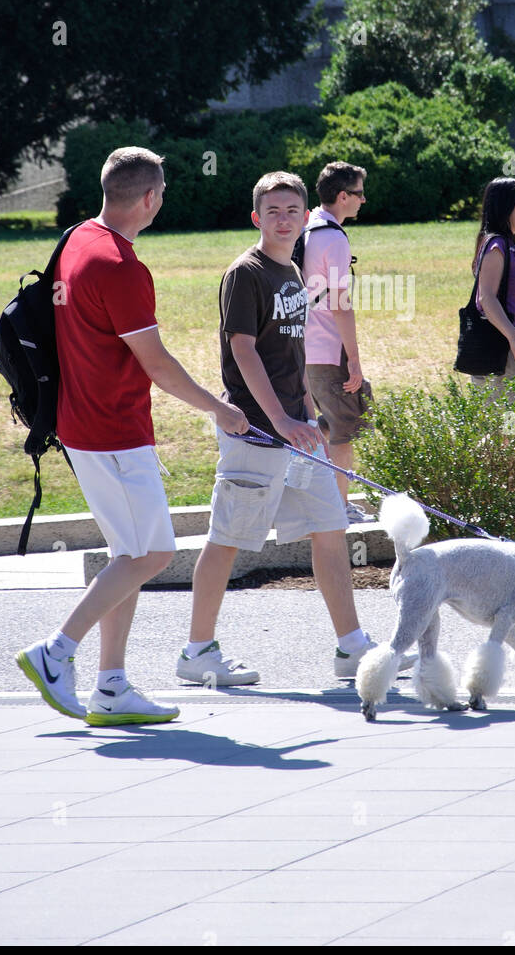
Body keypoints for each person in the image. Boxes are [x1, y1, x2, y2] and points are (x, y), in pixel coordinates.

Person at [15, 147, 249, 725]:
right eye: (162, 192)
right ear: (149, 198)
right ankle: (55, 653)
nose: (162, 200)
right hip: (112, 430)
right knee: (153, 552)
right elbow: (157, 364)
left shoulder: (77, 241)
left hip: (84, 425)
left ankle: (111, 687)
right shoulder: (120, 266)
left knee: (129, 553)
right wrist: (218, 410)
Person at [176, 170, 413, 684]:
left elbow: (293, 352)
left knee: (330, 530)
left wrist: (307, 414)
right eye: (273, 212)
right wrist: (280, 419)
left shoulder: (292, 272)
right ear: (257, 218)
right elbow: (243, 350)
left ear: (306, 218)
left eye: (292, 211)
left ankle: (351, 648)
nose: (283, 220)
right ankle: (197, 652)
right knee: (227, 539)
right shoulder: (247, 273)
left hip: (300, 431)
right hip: (255, 430)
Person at [301, 161, 374, 524]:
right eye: (359, 193)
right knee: (344, 429)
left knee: (328, 424)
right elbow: (340, 305)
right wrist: (355, 362)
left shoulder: (308, 227)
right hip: (329, 349)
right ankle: (338, 508)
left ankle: (323, 500)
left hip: (302, 348)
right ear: (343, 196)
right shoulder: (333, 238)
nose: (364, 200)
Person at [470, 176, 515, 399]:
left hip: (512, 354)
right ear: (506, 205)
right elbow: (486, 298)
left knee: (513, 429)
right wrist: (514, 338)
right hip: (502, 354)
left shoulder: (510, 246)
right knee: (508, 430)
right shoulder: (496, 246)